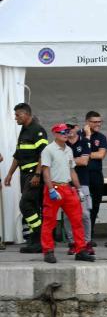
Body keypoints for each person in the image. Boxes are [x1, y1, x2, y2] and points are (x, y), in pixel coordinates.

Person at [38, 124, 92, 263]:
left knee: (77, 220)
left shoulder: (68, 149)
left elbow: (72, 171)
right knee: (49, 221)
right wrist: (51, 189)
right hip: (54, 187)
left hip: (68, 188)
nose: (66, 134)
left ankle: (81, 250)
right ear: (55, 134)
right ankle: (48, 251)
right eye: (62, 132)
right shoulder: (48, 150)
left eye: (67, 131)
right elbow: (45, 171)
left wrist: (79, 189)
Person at [5, 102, 48, 252]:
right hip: (24, 174)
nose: (15, 118)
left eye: (18, 115)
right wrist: (10, 174)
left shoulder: (37, 130)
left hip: (33, 174)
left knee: (25, 205)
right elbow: (18, 155)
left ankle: (39, 236)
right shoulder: (24, 131)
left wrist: (37, 174)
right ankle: (36, 241)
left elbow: (44, 155)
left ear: (26, 114)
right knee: (33, 207)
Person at [76, 112, 107, 238]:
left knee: (95, 204)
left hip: (96, 175)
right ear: (87, 122)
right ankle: (79, 233)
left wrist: (84, 154)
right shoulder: (78, 135)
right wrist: (88, 152)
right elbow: (72, 154)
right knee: (80, 205)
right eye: (95, 122)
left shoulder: (101, 137)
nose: (98, 124)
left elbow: (101, 155)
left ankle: (90, 233)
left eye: (99, 122)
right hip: (81, 175)